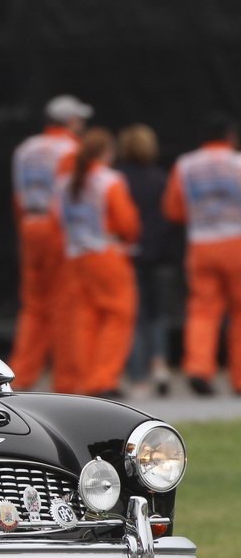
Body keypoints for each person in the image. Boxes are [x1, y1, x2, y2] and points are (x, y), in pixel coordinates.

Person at [50, 127, 140, 397]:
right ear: (106, 152)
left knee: (82, 319)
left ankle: (82, 378)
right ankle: (103, 379)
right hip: (106, 253)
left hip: (76, 256)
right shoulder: (109, 180)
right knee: (118, 315)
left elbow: (56, 221)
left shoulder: (64, 182)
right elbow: (128, 222)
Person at [8, 94, 90, 391]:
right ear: (69, 121)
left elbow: (18, 197)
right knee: (66, 303)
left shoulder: (25, 149)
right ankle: (68, 381)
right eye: (79, 119)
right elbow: (76, 196)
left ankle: (19, 376)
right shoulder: (72, 149)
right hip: (59, 229)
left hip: (31, 224)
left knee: (33, 306)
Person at [162, 113, 241, 396]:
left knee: (202, 310)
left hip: (201, 244)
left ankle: (198, 368)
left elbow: (173, 209)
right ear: (230, 137)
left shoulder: (186, 165)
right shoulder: (237, 162)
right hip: (236, 242)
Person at [115, 124, 176, 398]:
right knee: (158, 314)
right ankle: (160, 363)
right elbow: (168, 219)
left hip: (127, 255)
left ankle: (139, 378)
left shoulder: (116, 180)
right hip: (158, 255)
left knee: (134, 317)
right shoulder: (161, 179)